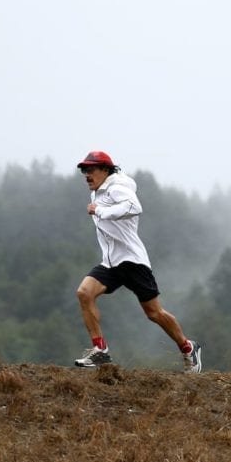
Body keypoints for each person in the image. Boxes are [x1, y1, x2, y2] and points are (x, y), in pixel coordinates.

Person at [73, 150, 202, 374]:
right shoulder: (98, 191)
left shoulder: (117, 186)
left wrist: (101, 211)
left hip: (132, 261)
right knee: (84, 293)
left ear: (105, 170)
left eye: (90, 169)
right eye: (84, 170)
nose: (86, 174)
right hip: (111, 263)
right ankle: (100, 350)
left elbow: (134, 207)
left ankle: (188, 347)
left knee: (154, 313)